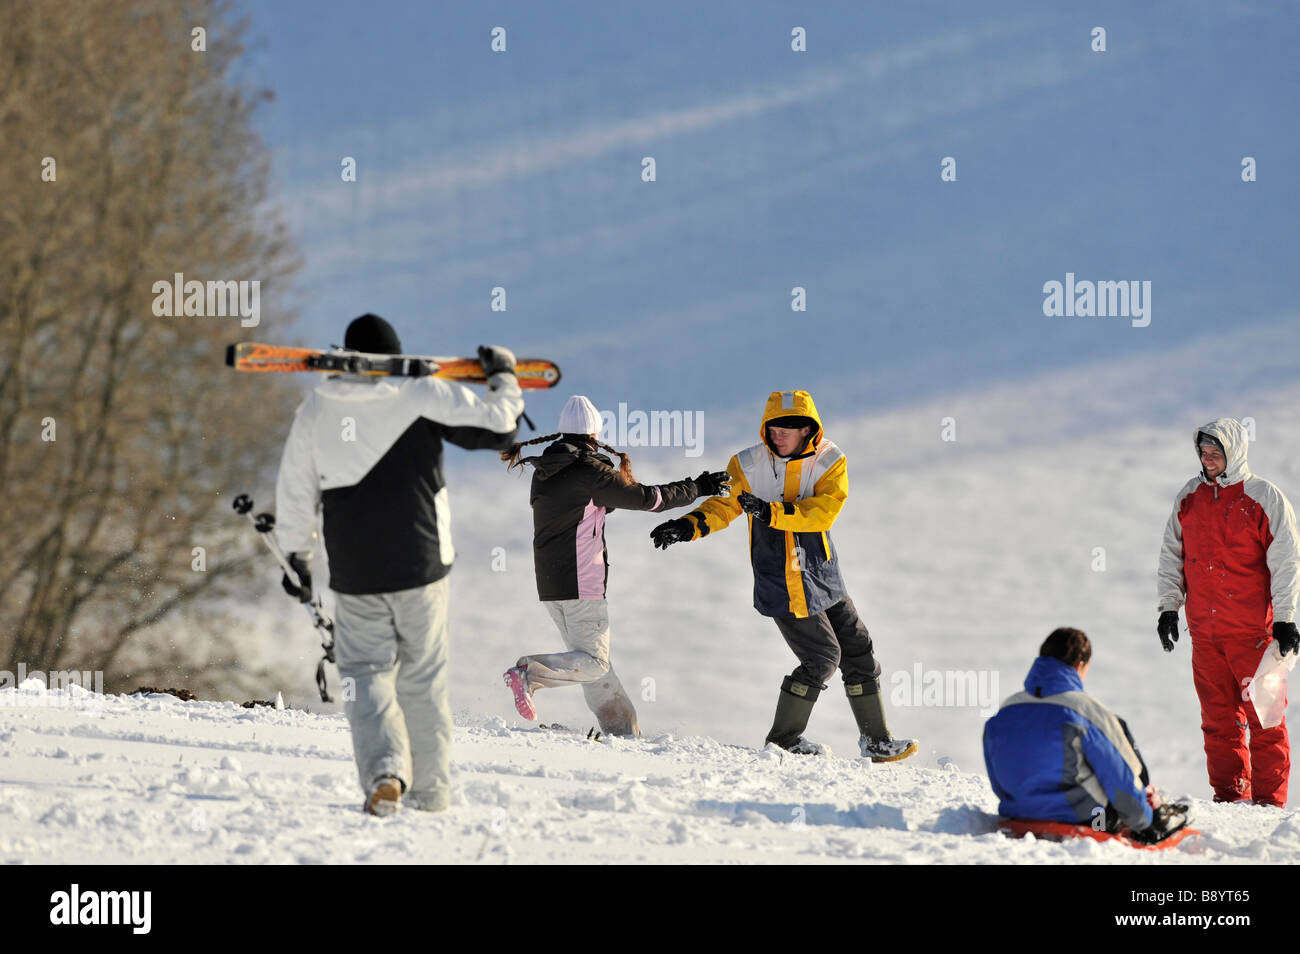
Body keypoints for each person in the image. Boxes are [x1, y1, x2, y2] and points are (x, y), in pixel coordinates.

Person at [274, 313, 524, 815]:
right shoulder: (422, 394)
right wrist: (504, 375)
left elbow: (295, 492)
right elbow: (500, 427)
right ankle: (431, 795)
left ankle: (385, 771)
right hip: (421, 566)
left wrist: (296, 557)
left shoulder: (317, 410)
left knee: (364, 674)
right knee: (423, 678)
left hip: (356, 573)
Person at [649, 389, 915, 761]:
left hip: (822, 571)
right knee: (822, 657)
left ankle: (876, 741)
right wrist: (687, 525)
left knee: (859, 650)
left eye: (787, 428)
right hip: (780, 575)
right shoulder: (747, 464)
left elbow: (824, 511)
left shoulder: (830, 460)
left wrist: (772, 512)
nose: (777, 435)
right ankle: (784, 741)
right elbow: (724, 505)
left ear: (809, 429)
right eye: (772, 427)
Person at [500, 395, 730, 736]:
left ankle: (621, 731)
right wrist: (698, 487)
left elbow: (592, 506)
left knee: (590, 663)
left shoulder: (546, 471)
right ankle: (529, 673)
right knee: (594, 663)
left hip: (551, 584)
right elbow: (647, 499)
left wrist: (609, 484)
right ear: (594, 434)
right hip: (582, 580)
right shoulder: (588, 470)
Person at [1157, 417, 1300, 807]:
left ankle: (1269, 805)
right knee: (1219, 724)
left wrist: (1286, 618)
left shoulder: (1263, 498)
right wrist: (1169, 607)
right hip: (1206, 636)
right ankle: (1231, 798)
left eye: (1216, 451)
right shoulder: (1189, 497)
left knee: (1266, 721)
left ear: (1233, 452)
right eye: (1203, 452)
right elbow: (1173, 555)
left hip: (1255, 635)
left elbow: (1287, 561)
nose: (1208, 458)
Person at [983, 628, 1187, 844]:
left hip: (1016, 814)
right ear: (1080, 665)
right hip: (1090, 820)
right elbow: (1119, 778)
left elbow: (997, 779)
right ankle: (1154, 811)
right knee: (1118, 733)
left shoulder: (1005, 710)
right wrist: (1144, 825)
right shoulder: (1088, 712)